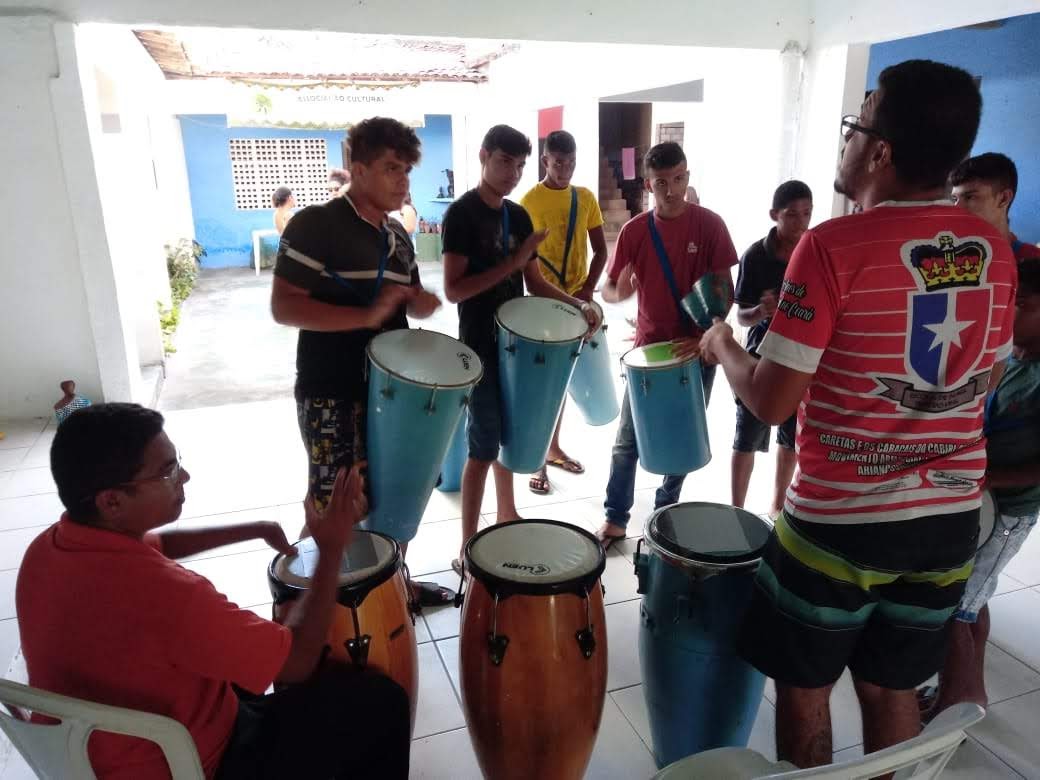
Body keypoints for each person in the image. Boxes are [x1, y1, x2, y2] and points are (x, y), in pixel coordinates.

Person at [698, 60, 1015, 768]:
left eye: (856, 124)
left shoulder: (830, 246)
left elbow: (773, 401)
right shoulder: (994, 249)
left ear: (880, 152)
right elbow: (983, 379)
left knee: (806, 689)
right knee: (890, 685)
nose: (845, 139)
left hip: (839, 522)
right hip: (946, 522)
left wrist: (723, 343)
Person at [15, 403, 410, 779]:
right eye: (168, 472)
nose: (184, 477)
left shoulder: (49, 548)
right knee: (380, 701)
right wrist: (332, 547)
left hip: (92, 756)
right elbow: (298, 662)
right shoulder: (171, 596)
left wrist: (252, 529)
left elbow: (160, 544)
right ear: (112, 501)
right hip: (193, 764)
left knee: (249, 665)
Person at [271, 117, 450, 608]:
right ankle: (317, 604)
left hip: (396, 391)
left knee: (398, 492)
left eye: (407, 170)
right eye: (392, 168)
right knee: (335, 504)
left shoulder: (397, 235)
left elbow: (408, 300)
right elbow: (284, 306)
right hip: (332, 389)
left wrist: (420, 304)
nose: (403, 180)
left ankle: (393, 588)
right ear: (359, 168)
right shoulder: (316, 224)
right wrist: (364, 316)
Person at [442, 124, 600, 573]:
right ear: (483, 156)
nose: (512, 173)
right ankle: (466, 546)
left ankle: (507, 512)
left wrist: (579, 305)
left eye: (519, 165)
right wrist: (511, 262)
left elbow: (534, 282)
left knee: (510, 434)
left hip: (518, 346)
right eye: (504, 162)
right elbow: (453, 289)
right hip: (478, 347)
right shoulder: (462, 215)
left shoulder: (518, 216)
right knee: (482, 446)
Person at [595, 141, 738, 549]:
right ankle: (615, 518)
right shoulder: (635, 231)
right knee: (627, 441)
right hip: (647, 353)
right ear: (648, 185)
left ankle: (665, 511)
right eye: (661, 182)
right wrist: (618, 292)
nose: (671, 190)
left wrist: (702, 338)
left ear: (687, 177)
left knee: (683, 437)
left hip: (697, 351)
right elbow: (610, 286)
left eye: (677, 179)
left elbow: (725, 290)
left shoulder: (710, 225)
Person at [916, 262, 1040, 722]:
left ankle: (960, 704)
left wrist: (989, 479)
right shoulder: (1009, 358)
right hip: (979, 502)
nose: (1009, 314)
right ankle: (965, 686)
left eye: (1021, 305)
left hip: (1009, 513)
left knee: (954, 606)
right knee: (974, 599)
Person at [519, 130, 608, 494]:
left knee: (564, 381)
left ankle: (552, 449)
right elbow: (526, 262)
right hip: (543, 305)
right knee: (544, 386)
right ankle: (537, 462)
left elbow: (601, 251)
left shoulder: (585, 198)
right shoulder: (529, 202)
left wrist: (587, 290)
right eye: (559, 163)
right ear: (545, 161)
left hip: (578, 306)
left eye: (571, 163)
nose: (565, 170)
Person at [731, 180, 813, 516]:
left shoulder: (814, 253)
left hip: (800, 358)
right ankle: (736, 511)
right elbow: (741, 316)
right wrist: (761, 311)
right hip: (760, 358)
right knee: (745, 438)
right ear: (774, 215)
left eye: (806, 213)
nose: (800, 222)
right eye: (792, 215)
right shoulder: (755, 256)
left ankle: (778, 507)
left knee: (790, 438)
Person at [949, 152, 1040, 261]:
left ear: (1004, 198)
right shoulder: (949, 259)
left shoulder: (1034, 259)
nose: (956, 208)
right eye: (955, 199)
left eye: (970, 197)